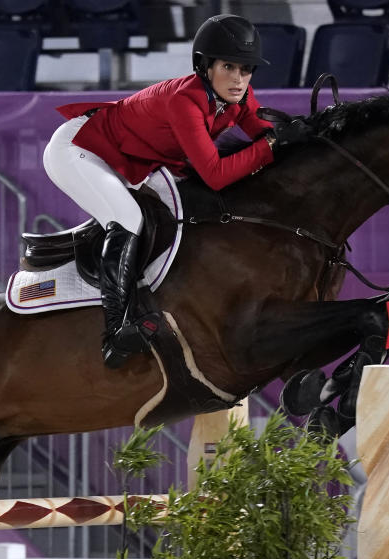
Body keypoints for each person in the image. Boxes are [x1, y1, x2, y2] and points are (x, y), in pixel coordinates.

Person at [43, 13, 311, 369]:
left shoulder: (237, 96)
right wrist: (274, 144)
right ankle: (116, 332)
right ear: (204, 66)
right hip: (79, 150)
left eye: (246, 70)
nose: (238, 79)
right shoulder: (183, 100)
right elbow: (217, 173)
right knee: (127, 218)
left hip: (131, 160)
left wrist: (309, 131)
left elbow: (264, 129)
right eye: (229, 67)